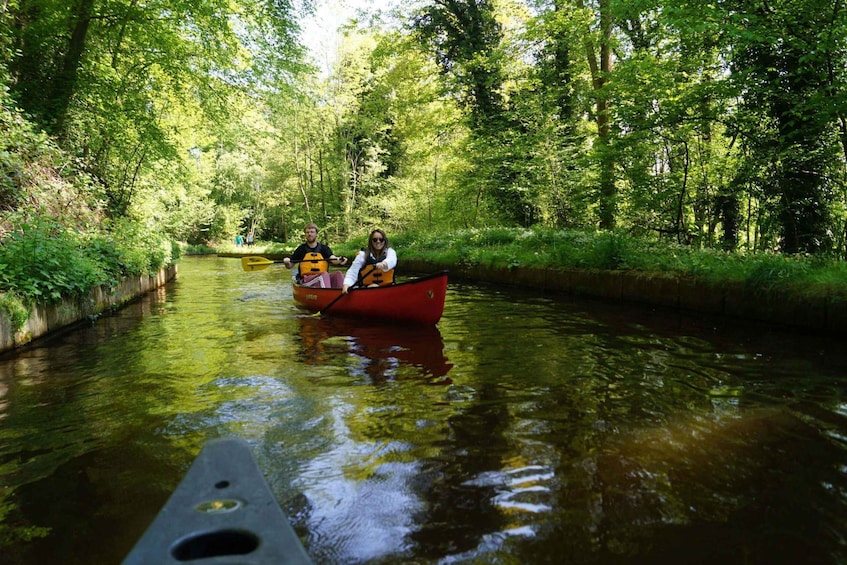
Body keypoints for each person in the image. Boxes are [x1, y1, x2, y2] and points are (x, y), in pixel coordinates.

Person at [283, 223, 348, 288]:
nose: (309, 234)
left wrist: (340, 260)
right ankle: (326, 295)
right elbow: (290, 265)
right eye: (307, 232)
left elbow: (333, 259)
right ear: (305, 234)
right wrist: (287, 262)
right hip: (306, 280)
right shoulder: (301, 249)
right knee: (324, 275)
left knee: (338, 274)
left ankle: (343, 294)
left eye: (312, 232)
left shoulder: (324, 248)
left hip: (322, 277)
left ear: (316, 234)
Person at [342, 229, 397, 294]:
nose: (378, 241)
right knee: (374, 287)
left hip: (388, 288)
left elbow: (392, 260)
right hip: (366, 289)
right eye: (375, 239)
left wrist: (383, 264)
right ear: (371, 242)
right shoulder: (362, 255)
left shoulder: (390, 252)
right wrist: (346, 284)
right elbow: (353, 272)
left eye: (381, 239)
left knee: (376, 287)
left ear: (384, 241)